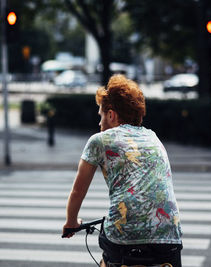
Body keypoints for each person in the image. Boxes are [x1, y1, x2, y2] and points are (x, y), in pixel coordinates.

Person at [63, 74, 183, 267]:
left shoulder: (99, 140)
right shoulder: (153, 137)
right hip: (169, 236)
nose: (99, 123)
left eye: (100, 116)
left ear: (111, 115)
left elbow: (78, 191)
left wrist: (71, 223)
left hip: (124, 237)